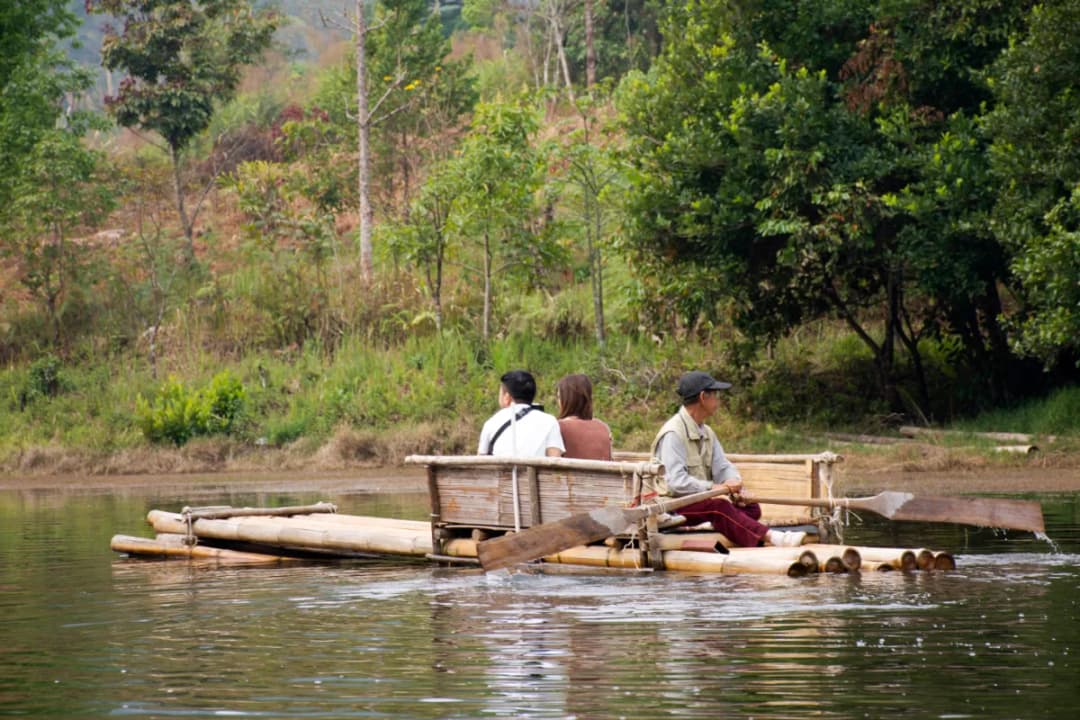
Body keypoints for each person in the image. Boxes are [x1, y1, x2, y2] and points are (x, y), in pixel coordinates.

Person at [650, 371, 806, 547]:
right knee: (719, 507)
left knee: (751, 508)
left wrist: (735, 485)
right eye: (715, 395)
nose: (718, 401)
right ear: (703, 397)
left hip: (701, 501)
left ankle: (711, 522)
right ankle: (774, 538)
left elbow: (723, 467)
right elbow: (676, 483)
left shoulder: (707, 432)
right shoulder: (673, 434)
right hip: (673, 507)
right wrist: (715, 488)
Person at [478, 370, 565, 457]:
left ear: (507, 397)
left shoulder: (492, 422)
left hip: (500, 470)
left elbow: (480, 461)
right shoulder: (549, 421)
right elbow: (554, 458)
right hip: (534, 470)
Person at [555, 374, 613, 461]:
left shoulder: (558, 427)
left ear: (567, 400)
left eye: (559, 397)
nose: (558, 402)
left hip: (570, 474)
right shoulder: (603, 428)